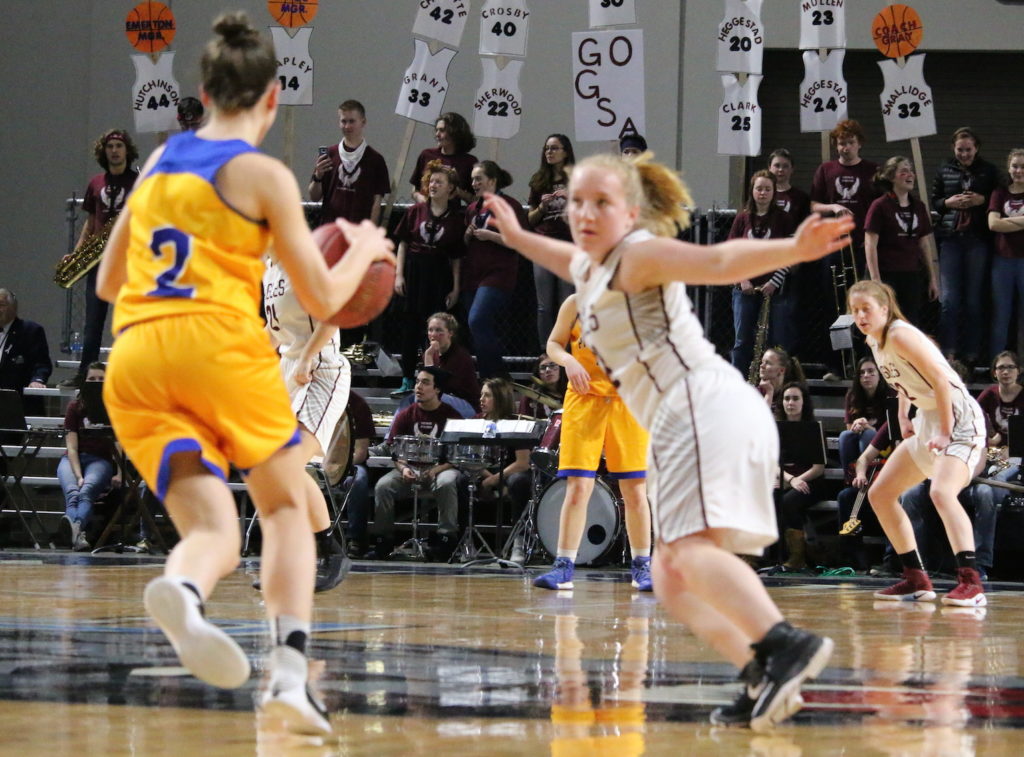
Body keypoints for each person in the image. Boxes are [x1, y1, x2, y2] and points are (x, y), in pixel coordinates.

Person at [95, 12, 394, 735]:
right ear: (270, 99)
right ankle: (290, 677)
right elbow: (326, 299)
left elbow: (107, 280)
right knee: (286, 507)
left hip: (134, 357)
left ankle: (185, 587)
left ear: (204, 89)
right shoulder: (263, 173)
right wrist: (364, 249)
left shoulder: (161, 162)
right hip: (217, 347)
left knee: (215, 525)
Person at [484, 152, 853, 728]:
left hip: (705, 410)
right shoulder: (591, 269)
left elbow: (722, 259)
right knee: (676, 583)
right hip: (687, 418)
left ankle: (787, 643)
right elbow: (561, 254)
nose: (584, 213)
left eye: (601, 202)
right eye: (577, 201)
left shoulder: (639, 253)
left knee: (683, 557)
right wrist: (516, 235)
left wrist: (794, 250)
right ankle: (762, 671)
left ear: (631, 211)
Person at [847, 280, 987, 607]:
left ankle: (971, 581)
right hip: (926, 418)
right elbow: (903, 381)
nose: (860, 316)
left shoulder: (900, 334)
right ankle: (915, 578)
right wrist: (904, 415)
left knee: (941, 492)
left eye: (866, 308)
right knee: (881, 493)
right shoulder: (875, 340)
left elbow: (941, 379)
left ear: (884, 308)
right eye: (855, 311)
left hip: (956, 417)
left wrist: (945, 432)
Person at [532, 294, 653, 592]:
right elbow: (553, 344)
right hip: (584, 401)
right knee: (577, 487)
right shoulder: (575, 303)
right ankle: (563, 567)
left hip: (628, 402)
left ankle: (642, 567)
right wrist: (568, 361)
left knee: (636, 491)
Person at [262, 254, 352, 593]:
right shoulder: (269, 270)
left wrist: (308, 355)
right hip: (290, 370)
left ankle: (330, 553)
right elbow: (274, 333)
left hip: (320, 370)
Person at [59, 129, 140, 388]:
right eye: (110, 146)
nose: (114, 150)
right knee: (93, 322)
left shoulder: (139, 181)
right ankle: (85, 374)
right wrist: (78, 251)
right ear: (103, 151)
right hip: (99, 263)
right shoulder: (96, 183)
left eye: (119, 146)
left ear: (127, 150)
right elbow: (90, 222)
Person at [371, 367, 464, 561]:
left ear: (437, 389)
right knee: (383, 486)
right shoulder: (406, 414)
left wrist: (437, 469)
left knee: (447, 482)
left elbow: (457, 456)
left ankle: (446, 539)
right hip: (409, 468)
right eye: (417, 382)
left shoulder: (451, 416)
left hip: (440, 470)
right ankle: (383, 540)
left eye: (425, 382)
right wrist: (404, 468)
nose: (418, 387)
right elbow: (395, 453)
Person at [393, 162, 466, 389]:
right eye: (431, 181)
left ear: (450, 188)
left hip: (439, 274)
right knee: (411, 326)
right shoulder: (415, 212)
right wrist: (399, 275)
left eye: (439, 182)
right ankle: (407, 377)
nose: (433, 185)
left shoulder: (456, 218)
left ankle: (434, 377)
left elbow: (456, 256)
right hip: (415, 271)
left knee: (434, 329)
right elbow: (403, 244)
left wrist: (455, 287)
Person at [931, 127, 1000, 366]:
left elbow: (999, 197)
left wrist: (983, 200)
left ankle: (971, 354)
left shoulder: (988, 171)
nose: (964, 154)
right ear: (953, 148)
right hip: (951, 238)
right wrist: (948, 202)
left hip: (977, 239)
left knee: (973, 299)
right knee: (949, 300)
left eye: (968, 150)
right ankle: (948, 352)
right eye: (960, 150)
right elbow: (934, 202)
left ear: (976, 148)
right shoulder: (944, 169)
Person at [461, 161, 528, 379]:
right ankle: (490, 378)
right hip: (473, 274)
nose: (474, 183)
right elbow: (465, 242)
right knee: (476, 328)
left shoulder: (510, 206)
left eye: (478, 178)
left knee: (477, 319)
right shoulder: (473, 208)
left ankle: (496, 375)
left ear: (492, 180)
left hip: (498, 273)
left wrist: (492, 236)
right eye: (472, 179)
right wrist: (469, 234)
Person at [728, 170, 796, 375]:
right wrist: (743, 280)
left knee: (775, 338)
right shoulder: (742, 218)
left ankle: (772, 383)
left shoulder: (784, 219)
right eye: (759, 188)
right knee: (742, 340)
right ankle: (739, 381)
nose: (763, 193)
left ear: (774, 192)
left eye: (767, 189)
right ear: (752, 191)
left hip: (774, 290)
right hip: (745, 289)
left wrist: (775, 281)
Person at [864, 157, 939, 326]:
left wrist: (932, 278)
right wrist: (876, 279)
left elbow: (924, 243)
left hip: (911, 273)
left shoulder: (918, 206)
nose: (909, 174)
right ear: (892, 177)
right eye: (903, 171)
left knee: (909, 322)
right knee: (885, 322)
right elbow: (870, 244)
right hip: (886, 273)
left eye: (911, 171)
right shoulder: (880, 206)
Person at [760, 382, 825, 574]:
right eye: (787, 398)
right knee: (769, 497)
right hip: (786, 479)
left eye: (796, 398)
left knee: (788, 502)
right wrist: (789, 480)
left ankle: (798, 557)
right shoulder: (776, 428)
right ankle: (766, 556)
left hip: (811, 481)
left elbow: (819, 468)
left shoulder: (813, 428)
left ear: (804, 402)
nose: (791, 403)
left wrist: (797, 481)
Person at [56, 362, 117, 552]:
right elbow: (72, 447)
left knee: (86, 491)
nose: (96, 383)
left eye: (101, 379)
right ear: (85, 383)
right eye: (92, 379)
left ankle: (74, 529)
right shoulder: (74, 407)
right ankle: (78, 534)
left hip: (100, 460)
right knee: (73, 492)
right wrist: (79, 475)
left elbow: (119, 444)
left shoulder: (115, 407)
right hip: (72, 459)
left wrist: (121, 472)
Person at [308, 99, 390, 226]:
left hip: (358, 231)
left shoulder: (375, 160)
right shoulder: (330, 154)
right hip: (331, 228)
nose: (347, 126)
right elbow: (314, 197)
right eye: (343, 121)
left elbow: (376, 203)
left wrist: (370, 233)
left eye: (352, 121)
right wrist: (318, 176)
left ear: (363, 122)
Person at [529, 134, 576, 347]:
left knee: (567, 301)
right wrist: (542, 207)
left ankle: (568, 348)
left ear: (566, 152)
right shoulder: (539, 181)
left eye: (555, 148)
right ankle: (545, 353)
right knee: (544, 305)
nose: (549, 152)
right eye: (547, 148)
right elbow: (530, 219)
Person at [988, 148, 1024, 357]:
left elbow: (1001, 222)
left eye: (1022, 166)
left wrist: (1006, 222)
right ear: (1009, 167)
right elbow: (993, 224)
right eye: (1015, 166)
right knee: (1001, 315)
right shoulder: (1000, 192)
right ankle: (997, 364)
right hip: (1003, 260)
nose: (1018, 170)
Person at [335, 388, 376, 558]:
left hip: (348, 463)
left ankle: (356, 539)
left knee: (358, 480)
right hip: (316, 460)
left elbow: (360, 453)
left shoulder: (358, 405)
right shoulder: (312, 401)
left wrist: (336, 468)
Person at [0, 288, 52, 415]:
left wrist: (37, 380)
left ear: (14, 308)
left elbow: (42, 364)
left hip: (19, 404)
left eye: (1, 305)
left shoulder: (30, 331)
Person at [409, 112, 477, 204]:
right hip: (425, 213)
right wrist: (420, 198)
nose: (437, 134)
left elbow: (476, 200)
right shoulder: (426, 155)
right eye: (436, 130)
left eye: (442, 130)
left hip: (452, 215)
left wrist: (459, 193)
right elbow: (414, 190)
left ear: (455, 133)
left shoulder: (469, 162)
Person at [838, 357, 890, 474]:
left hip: (885, 445)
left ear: (879, 375)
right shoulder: (852, 395)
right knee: (845, 436)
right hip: (859, 440)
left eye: (871, 371)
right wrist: (857, 425)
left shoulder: (890, 394)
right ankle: (850, 478)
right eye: (862, 373)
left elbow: (890, 433)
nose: (866, 375)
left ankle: (868, 477)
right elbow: (849, 429)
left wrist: (868, 427)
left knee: (868, 434)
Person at [417, 312, 480, 409]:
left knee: (430, 396)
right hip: (442, 399)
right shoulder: (430, 353)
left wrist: (428, 357)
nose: (433, 334)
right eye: (430, 330)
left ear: (450, 333)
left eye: (439, 330)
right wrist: (429, 355)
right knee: (411, 398)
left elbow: (437, 387)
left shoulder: (460, 356)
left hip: (466, 405)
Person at [978, 351, 1024, 455]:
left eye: (1011, 367)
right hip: (995, 453)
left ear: (1019, 371)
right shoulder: (989, 394)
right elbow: (972, 416)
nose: (1006, 372)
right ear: (995, 372)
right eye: (1001, 367)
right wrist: (988, 440)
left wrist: (1012, 450)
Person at [768, 148, 811, 227]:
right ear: (769, 168)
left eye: (785, 166)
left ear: (792, 169)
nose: (781, 170)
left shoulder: (802, 198)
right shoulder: (760, 195)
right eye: (777, 166)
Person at [517, 352, 566, 420]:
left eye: (552, 365)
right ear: (538, 373)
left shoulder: (570, 392)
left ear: (560, 368)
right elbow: (523, 420)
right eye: (543, 367)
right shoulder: (530, 395)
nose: (548, 370)